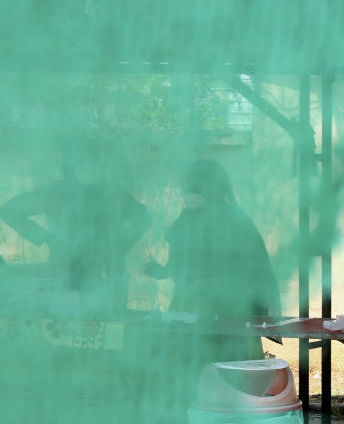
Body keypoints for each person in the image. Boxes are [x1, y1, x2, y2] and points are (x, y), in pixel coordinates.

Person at [146, 159, 280, 362]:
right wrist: (162, 271)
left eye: (195, 187)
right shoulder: (186, 218)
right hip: (189, 310)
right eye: (188, 187)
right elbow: (179, 262)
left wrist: (215, 283)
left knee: (229, 370)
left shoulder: (236, 221)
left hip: (230, 314)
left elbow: (253, 271)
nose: (188, 194)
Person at [0, 139, 149, 311]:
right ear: (70, 169)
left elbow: (144, 218)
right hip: (63, 272)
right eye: (83, 165)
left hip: (109, 273)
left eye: (94, 164)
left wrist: (119, 245)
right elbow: (9, 211)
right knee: (63, 321)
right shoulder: (55, 193)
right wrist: (45, 237)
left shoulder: (113, 194)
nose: (91, 169)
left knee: (108, 322)